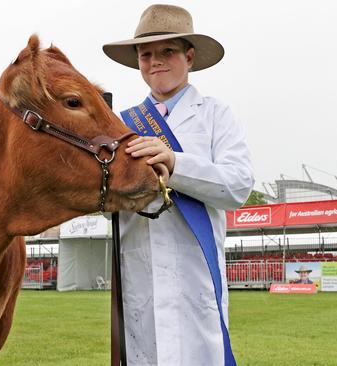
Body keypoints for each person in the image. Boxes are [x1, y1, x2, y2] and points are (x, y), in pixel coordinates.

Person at [103, 4, 254, 366]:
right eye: (146, 54)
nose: (155, 61)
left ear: (189, 56)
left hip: (195, 279)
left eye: (167, 51)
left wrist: (175, 163)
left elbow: (239, 185)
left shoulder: (216, 114)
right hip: (139, 280)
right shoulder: (119, 125)